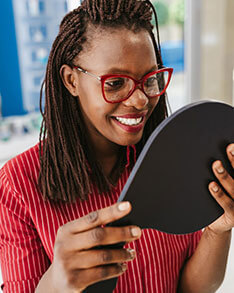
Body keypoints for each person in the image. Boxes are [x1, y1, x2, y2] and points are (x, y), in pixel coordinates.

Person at [0, 0, 233, 292]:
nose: (139, 100)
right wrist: (55, 285)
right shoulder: (18, 184)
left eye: (149, 79)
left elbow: (191, 288)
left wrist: (217, 229)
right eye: (115, 83)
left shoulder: (169, 156)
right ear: (71, 80)